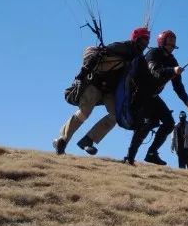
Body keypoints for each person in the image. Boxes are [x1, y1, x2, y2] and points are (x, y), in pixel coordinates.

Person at [53, 27, 150, 155]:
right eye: (143, 40)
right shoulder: (121, 47)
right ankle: (62, 140)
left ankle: (88, 140)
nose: (145, 44)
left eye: (147, 41)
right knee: (84, 113)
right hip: (95, 84)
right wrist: (84, 72)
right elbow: (99, 54)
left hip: (110, 90)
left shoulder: (139, 59)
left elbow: (145, 78)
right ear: (136, 39)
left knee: (116, 115)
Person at [122, 29, 188, 166]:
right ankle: (130, 158)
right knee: (145, 125)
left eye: (173, 44)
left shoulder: (172, 60)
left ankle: (151, 153)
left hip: (153, 97)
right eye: (169, 43)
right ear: (162, 42)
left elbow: (177, 85)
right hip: (140, 95)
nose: (172, 47)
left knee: (168, 123)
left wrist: (187, 101)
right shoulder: (153, 53)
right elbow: (155, 72)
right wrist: (172, 71)